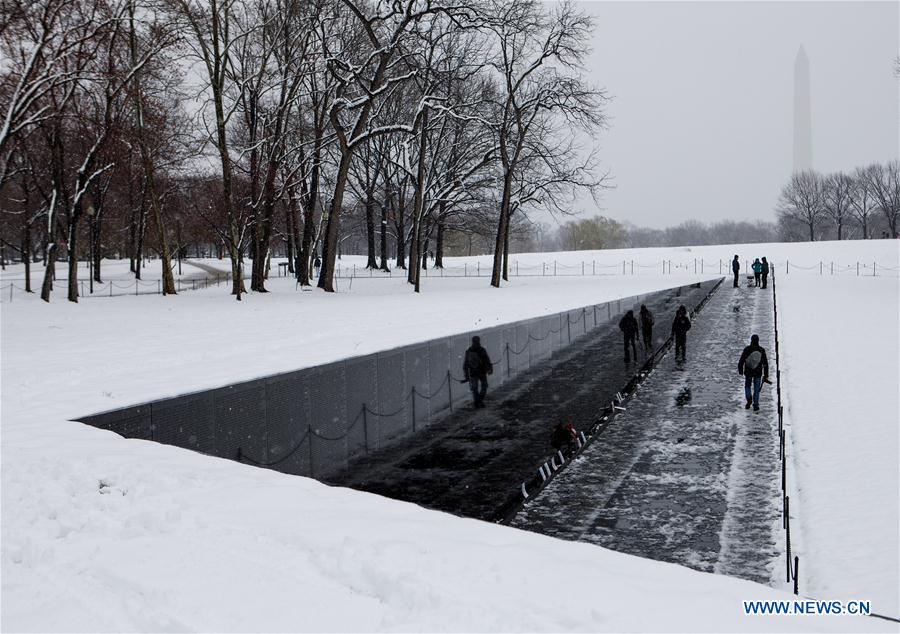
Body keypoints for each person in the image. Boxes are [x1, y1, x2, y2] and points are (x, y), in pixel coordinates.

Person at [738, 334, 770, 411]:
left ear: (751, 340)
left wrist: (741, 370)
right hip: (758, 372)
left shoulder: (747, 349)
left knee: (747, 386)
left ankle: (749, 399)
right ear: (758, 341)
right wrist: (766, 374)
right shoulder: (761, 350)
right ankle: (755, 405)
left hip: (748, 371)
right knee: (756, 389)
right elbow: (765, 363)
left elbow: (741, 360)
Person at [462, 335, 492, 408]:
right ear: (479, 341)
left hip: (473, 372)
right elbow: (487, 360)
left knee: (475, 388)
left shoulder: (469, 351)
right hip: (482, 371)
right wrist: (490, 369)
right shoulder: (482, 350)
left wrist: (466, 375)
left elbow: (466, 364)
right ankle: (479, 401)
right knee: (484, 386)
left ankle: (477, 402)